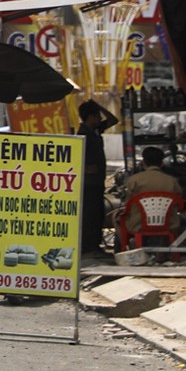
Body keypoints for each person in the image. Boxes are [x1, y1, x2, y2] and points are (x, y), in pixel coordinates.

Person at [77, 100, 116, 259]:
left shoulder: (96, 130)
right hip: (88, 183)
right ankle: (88, 247)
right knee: (90, 215)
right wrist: (85, 169)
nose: (100, 119)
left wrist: (99, 106)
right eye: (97, 116)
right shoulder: (83, 134)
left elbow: (113, 120)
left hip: (98, 181)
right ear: (90, 117)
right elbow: (75, 157)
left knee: (98, 214)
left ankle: (95, 245)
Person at [118, 146, 183, 238]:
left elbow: (128, 204)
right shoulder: (172, 181)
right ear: (161, 163)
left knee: (117, 217)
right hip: (168, 224)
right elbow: (179, 204)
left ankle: (127, 248)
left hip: (139, 225)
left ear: (143, 163)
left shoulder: (134, 180)